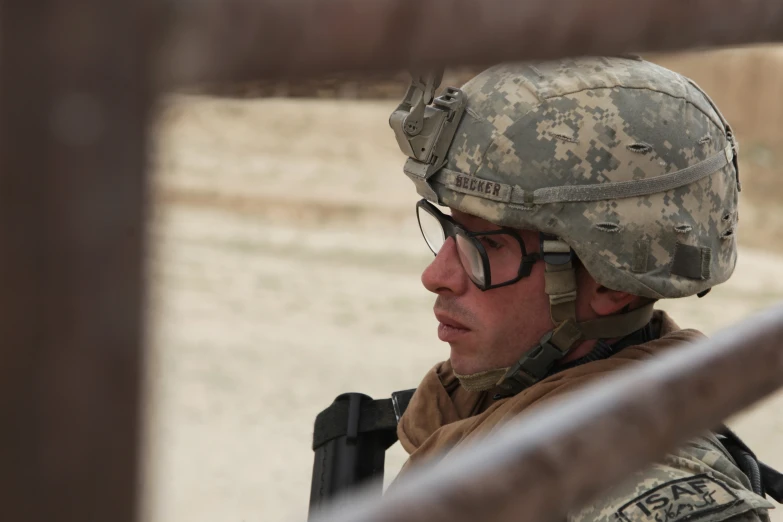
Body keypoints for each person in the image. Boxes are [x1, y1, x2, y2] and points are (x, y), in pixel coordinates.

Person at [387, 56, 777, 521]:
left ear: (610, 285)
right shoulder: (471, 415)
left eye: (484, 245)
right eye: (449, 232)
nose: (437, 276)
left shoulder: (639, 494)